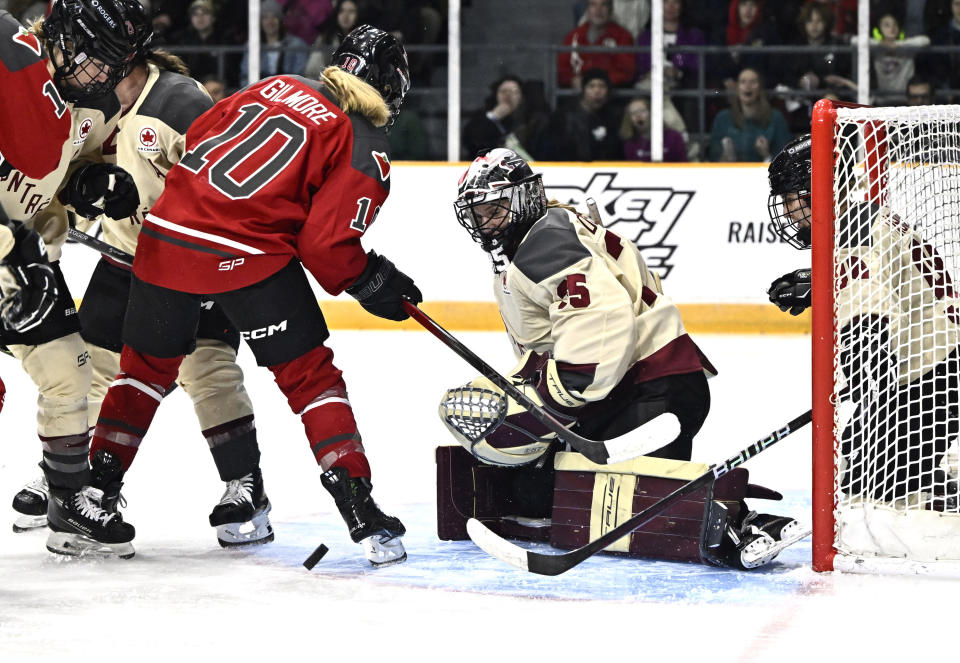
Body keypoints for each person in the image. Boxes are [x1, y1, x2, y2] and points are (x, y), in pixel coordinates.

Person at [86, 25, 419, 567]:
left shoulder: (275, 83)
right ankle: (358, 504)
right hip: (247, 255)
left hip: (164, 239)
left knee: (143, 370)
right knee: (311, 378)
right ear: (393, 87)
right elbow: (326, 245)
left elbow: (196, 146)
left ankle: (96, 493)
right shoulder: (363, 139)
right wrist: (371, 279)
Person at [440, 147, 804, 569]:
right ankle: (694, 497)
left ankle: (738, 523)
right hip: (633, 387)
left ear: (526, 197)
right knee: (535, 496)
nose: (486, 222)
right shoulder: (546, 231)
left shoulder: (543, 242)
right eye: (479, 213)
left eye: (496, 209)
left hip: (648, 388)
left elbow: (602, 318)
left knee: (618, 507)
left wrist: (556, 399)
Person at [21, 14, 272, 548]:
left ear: (114, 54)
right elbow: (60, 173)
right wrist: (83, 186)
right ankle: (70, 482)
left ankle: (246, 487)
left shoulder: (180, 103)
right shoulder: (88, 102)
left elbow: (226, 196)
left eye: (79, 52)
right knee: (91, 367)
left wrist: (187, 241)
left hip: (191, 268)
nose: (65, 63)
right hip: (123, 263)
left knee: (208, 371)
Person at [1, 0, 148, 557]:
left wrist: (90, 184)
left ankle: (66, 506)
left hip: (24, 260)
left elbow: (60, 171)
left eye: (114, 64)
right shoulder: (15, 66)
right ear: (62, 37)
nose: (105, 75)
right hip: (11, 254)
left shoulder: (89, 104)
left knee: (69, 371)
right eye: (97, 60)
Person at [766, 135, 960, 504]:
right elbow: (881, 286)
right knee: (861, 466)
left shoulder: (853, 232)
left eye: (790, 201)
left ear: (810, 194)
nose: (789, 214)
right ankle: (917, 470)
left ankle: (918, 480)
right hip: (939, 363)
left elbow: (868, 321)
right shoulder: (862, 216)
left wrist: (863, 382)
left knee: (867, 487)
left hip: (933, 376)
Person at [708, 66, 791, 162]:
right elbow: (713, 156)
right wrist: (725, 156)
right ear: (737, 88)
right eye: (743, 82)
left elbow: (785, 161)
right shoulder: (722, 118)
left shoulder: (776, 118)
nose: (748, 86)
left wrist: (766, 155)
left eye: (753, 82)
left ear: (760, 88)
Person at [462, 75, 549, 161]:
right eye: (503, 91)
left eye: (514, 91)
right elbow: (472, 143)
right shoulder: (483, 117)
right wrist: (493, 117)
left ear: (521, 97)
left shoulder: (533, 120)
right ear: (495, 95)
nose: (508, 95)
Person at [548, 68, 622, 161]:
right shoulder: (565, 116)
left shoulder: (613, 117)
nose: (597, 91)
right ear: (583, 90)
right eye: (591, 86)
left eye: (602, 86)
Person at [558, 0, 635, 89]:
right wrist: (572, 80)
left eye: (604, 5)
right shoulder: (573, 36)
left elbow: (627, 71)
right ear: (587, 9)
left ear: (611, 9)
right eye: (593, 5)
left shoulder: (623, 37)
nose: (598, 10)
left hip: (612, 95)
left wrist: (602, 82)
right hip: (578, 96)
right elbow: (561, 70)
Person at [239, 0, 308, 82]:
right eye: (265, 18)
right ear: (260, 22)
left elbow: (301, 77)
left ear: (280, 20)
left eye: (274, 17)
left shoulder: (297, 44)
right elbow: (245, 76)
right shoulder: (252, 46)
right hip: (259, 92)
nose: (270, 22)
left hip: (289, 91)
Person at [620, 97, 688, 162]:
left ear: (652, 113)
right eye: (633, 113)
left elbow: (683, 165)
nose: (638, 115)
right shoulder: (630, 144)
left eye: (642, 111)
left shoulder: (673, 137)